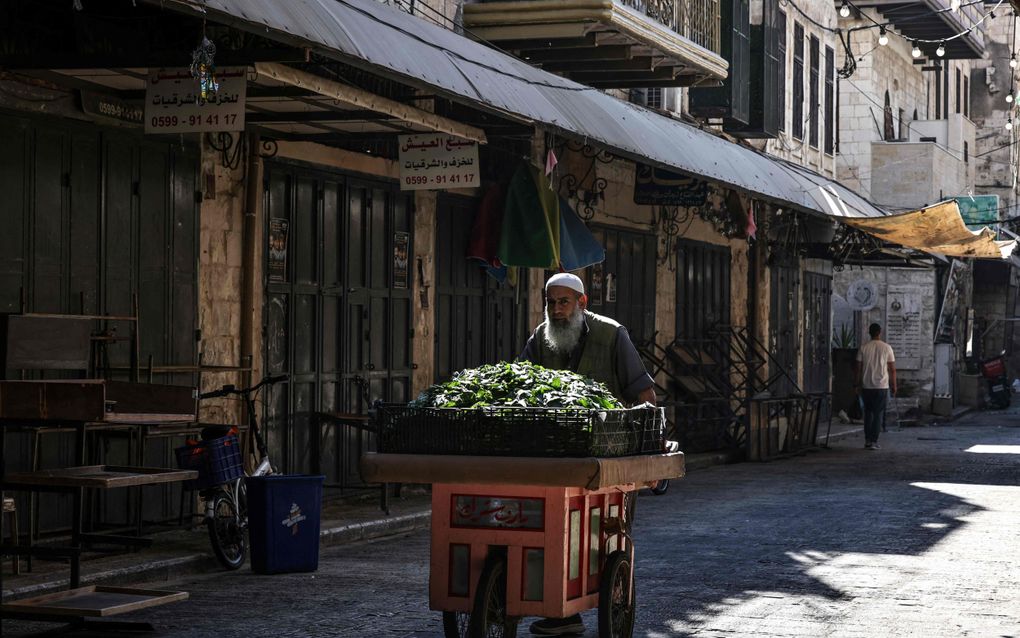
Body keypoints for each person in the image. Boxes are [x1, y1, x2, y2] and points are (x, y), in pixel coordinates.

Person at [520, 272, 655, 636]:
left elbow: (643, 395)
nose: (556, 310)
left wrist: (645, 451)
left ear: (582, 303)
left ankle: (606, 599)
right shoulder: (539, 338)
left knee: (602, 537)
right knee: (552, 531)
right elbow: (519, 384)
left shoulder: (613, 334)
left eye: (564, 302)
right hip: (554, 455)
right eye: (550, 302)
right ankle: (561, 610)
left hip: (606, 455)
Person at [854, 322, 897, 450]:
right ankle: (874, 441)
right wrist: (894, 385)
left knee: (868, 413)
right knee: (878, 414)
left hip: (867, 386)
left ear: (870, 333)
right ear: (880, 332)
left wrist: (855, 384)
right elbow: (892, 369)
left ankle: (867, 440)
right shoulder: (887, 348)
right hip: (882, 386)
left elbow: (857, 368)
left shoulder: (863, 348)